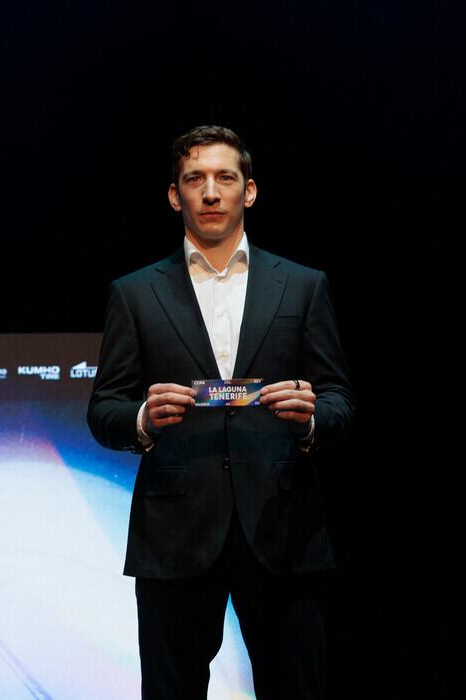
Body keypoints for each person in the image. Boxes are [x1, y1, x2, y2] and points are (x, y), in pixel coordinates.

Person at [87, 125, 354, 699]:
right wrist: (141, 418)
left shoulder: (304, 287)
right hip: (176, 534)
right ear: (174, 196)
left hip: (284, 528)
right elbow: (105, 409)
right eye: (194, 179)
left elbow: (339, 401)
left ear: (249, 192)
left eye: (224, 178)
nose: (210, 192)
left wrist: (310, 419)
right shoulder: (134, 293)